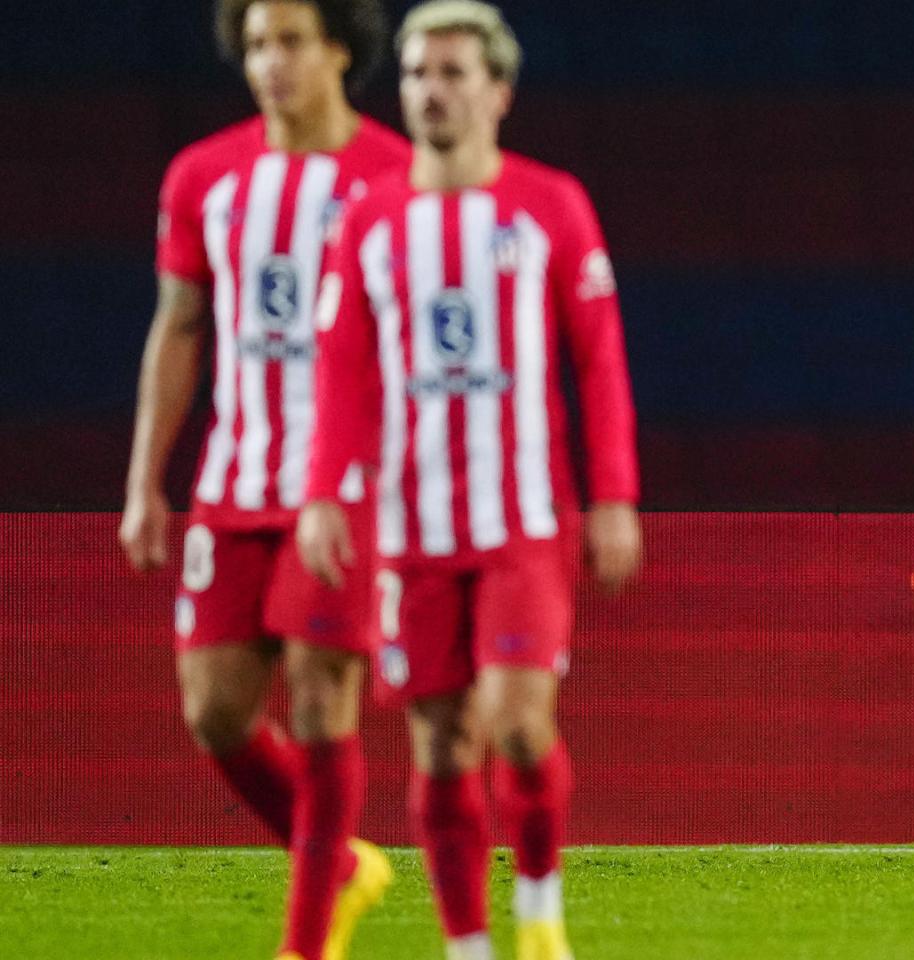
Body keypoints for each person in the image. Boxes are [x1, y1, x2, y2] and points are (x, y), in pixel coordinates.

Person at [297, 2, 642, 956]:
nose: (431, 91)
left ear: (498, 90)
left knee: (518, 723)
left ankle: (538, 919)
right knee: (441, 744)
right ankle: (470, 948)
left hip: (523, 520)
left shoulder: (550, 205)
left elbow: (599, 360)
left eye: (451, 73)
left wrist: (613, 497)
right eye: (415, 74)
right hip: (412, 528)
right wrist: (326, 491)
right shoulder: (367, 217)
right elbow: (342, 369)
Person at [118, 3, 405, 958]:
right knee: (213, 709)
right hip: (233, 480)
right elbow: (180, 327)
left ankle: (306, 942)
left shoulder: (393, 176)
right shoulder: (203, 175)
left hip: (350, 490)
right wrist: (143, 482)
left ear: (338, 50)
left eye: (288, 42)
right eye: (254, 46)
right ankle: (346, 864)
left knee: (325, 705)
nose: (268, 64)